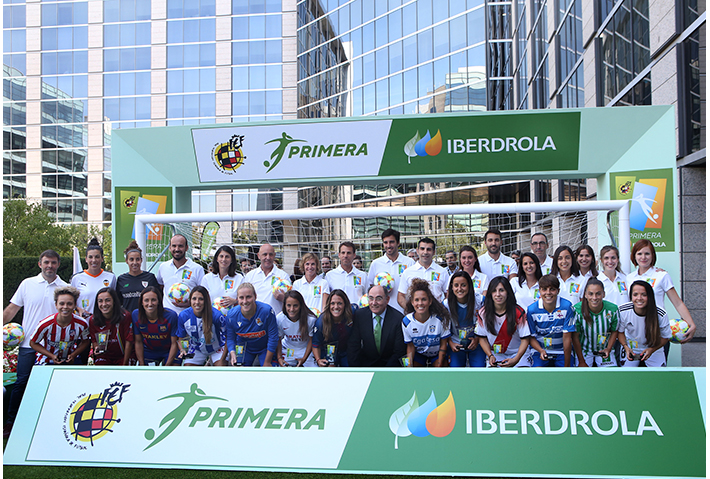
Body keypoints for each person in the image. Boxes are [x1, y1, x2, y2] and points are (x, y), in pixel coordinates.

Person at [3, 249, 67, 438]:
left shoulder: (64, 286)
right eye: (46, 262)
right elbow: (11, 310)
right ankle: (11, 422)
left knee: (52, 385)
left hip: (54, 347)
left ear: (58, 264)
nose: (50, 266)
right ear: (40, 264)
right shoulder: (27, 284)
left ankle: (50, 422)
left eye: (53, 262)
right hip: (28, 345)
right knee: (22, 382)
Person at [626, 239, 696, 342]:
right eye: (639, 253)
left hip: (657, 330)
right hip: (634, 332)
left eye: (647, 254)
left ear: (653, 255)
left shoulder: (662, 275)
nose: (643, 257)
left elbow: (677, 303)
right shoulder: (629, 278)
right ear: (634, 256)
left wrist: (691, 323)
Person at [475, 277, 531, 367]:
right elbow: (482, 338)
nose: (498, 294)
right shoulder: (483, 313)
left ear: (508, 292)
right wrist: (490, 355)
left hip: (518, 354)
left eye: (501, 290)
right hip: (495, 355)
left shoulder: (518, 312)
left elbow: (525, 340)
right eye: (494, 291)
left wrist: (516, 359)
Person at [348, 284, 406, 367]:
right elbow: (353, 346)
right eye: (371, 298)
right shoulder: (359, 316)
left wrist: (384, 374)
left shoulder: (398, 319)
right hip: (366, 367)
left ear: (387, 299)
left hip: (390, 368)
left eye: (379, 298)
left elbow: (399, 351)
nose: (374, 303)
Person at [30, 286, 90, 365]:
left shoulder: (82, 324)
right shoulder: (45, 324)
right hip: (47, 360)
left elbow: (86, 341)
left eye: (69, 304)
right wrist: (51, 356)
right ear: (56, 305)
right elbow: (33, 343)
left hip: (71, 360)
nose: (65, 307)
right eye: (61, 304)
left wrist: (74, 354)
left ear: (75, 305)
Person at [618, 281, 671, 367]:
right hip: (631, 348)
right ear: (631, 296)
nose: (639, 298)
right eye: (635, 295)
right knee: (626, 376)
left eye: (644, 295)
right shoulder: (623, 310)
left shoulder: (661, 314)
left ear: (650, 296)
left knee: (659, 376)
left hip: (654, 348)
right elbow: (620, 332)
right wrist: (626, 347)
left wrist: (652, 349)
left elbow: (665, 337)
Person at [526, 275, 576, 367]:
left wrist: (567, 366)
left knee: (566, 376)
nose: (548, 293)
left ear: (558, 291)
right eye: (544, 289)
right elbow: (531, 337)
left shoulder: (567, 306)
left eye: (552, 289)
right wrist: (541, 351)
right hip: (539, 350)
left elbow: (567, 338)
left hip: (561, 350)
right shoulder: (532, 310)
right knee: (538, 373)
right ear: (539, 291)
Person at [225, 282, 279, 367]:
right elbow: (230, 338)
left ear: (255, 297)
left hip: (264, 348)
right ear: (237, 299)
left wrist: (267, 362)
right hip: (243, 347)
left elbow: (273, 337)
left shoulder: (267, 311)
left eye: (248, 297)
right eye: (241, 298)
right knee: (239, 371)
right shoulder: (231, 315)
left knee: (269, 372)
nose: (245, 301)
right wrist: (232, 353)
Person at [402, 278, 451, 367]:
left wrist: (438, 366)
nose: (420, 303)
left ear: (430, 301)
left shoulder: (441, 319)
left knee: (441, 371)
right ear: (412, 302)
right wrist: (409, 366)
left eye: (424, 299)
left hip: (437, 355)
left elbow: (444, 344)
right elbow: (410, 346)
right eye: (417, 300)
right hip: (419, 355)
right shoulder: (407, 322)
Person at [571, 278, 619, 367]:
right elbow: (575, 337)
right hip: (584, 350)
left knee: (611, 377)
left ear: (603, 294)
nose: (594, 297)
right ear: (585, 295)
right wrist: (581, 360)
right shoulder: (577, 310)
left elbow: (614, 331)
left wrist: (608, 349)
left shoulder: (613, 310)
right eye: (591, 294)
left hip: (604, 349)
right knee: (582, 377)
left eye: (598, 294)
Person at [176, 286, 227, 366]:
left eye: (201, 299)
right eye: (194, 299)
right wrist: (183, 349)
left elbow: (228, 337)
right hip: (196, 349)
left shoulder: (217, 316)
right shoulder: (184, 316)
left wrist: (223, 359)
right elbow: (181, 337)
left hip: (218, 348)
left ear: (206, 301)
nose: (197, 302)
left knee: (220, 369)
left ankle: (212, 362)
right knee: (188, 370)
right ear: (190, 300)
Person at [367, 228, 415, 313]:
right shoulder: (376, 263)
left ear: (398, 243)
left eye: (392, 242)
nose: (388, 245)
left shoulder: (409, 262)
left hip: (404, 312)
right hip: (382, 313)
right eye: (385, 242)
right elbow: (370, 287)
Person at [157, 234, 205, 314]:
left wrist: (190, 303)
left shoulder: (197, 269)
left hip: (189, 315)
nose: (177, 249)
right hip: (167, 317)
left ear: (186, 248)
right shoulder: (163, 267)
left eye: (180, 246)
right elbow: (160, 286)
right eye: (174, 246)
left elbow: (203, 294)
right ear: (170, 247)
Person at [132, 286, 180, 366]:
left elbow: (174, 343)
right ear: (142, 302)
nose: (150, 304)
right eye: (146, 300)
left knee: (172, 372)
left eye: (153, 300)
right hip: (150, 351)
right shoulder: (136, 315)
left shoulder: (171, 316)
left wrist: (166, 367)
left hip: (169, 350)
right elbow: (138, 341)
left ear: (159, 301)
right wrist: (141, 364)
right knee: (148, 375)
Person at [446, 271, 486, 367]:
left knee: (479, 370)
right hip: (456, 343)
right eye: (456, 285)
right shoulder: (446, 304)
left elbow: (486, 324)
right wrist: (450, 343)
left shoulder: (480, 301)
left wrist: (477, 339)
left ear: (469, 285)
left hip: (477, 343)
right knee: (456, 371)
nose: (459, 289)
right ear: (451, 286)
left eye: (463, 285)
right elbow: (444, 328)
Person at [397, 237, 448, 309]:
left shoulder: (442, 272)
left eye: (429, 249)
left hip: (436, 317)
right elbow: (400, 296)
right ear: (417, 251)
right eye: (422, 249)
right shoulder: (408, 272)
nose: (425, 252)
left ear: (434, 252)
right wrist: (412, 311)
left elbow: (448, 294)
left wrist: (440, 310)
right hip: (415, 317)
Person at [71, 237, 116, 318]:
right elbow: (70, 302)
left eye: (97, 257)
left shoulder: (111, 277)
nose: (94, 260)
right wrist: (78, 309)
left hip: (105, 324)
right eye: (90, 257)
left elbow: (115, 301)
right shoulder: (77, 278)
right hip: (84, 323)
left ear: (102, 259)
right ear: (86, 259)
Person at [89, 287, 133, 365]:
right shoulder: (93, 319)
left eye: (107, 300)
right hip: (105, 357)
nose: (104, 304)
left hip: (123, 356)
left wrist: (125, 363)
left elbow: (128, 341)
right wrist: (97, 348)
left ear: (114, 301)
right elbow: (94, 340)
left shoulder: (125, 316)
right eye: (100, 301)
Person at [243, 243, 291, 315]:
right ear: (258, 256)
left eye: (270, 254)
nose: (268, 257)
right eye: (265, 254)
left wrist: (284, 299)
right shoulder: (250, 276)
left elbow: (292, 301)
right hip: (255, 319)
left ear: (274, 255)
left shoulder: (283, 276)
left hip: (276, 320)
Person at [116, 240, 159, 313]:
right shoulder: (121, 279)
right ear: (126, 261)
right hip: (128, 321)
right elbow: (118, 303)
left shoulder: (150, 277)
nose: (135, 263)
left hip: (146, 320)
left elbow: (158, 299)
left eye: (137, 259)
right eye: (131, 259)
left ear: (141, 260)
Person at [313, 289, 353, 367]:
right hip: (328, 352)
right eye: (332, 303)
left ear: (345, 304)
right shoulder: (321, 322)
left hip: (346, 351)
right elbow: (315, 344)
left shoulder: (352, 314)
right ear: (328, 305)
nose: (336, 307)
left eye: (339, 303)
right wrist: (318, 360)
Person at [276, 291, 316, 367]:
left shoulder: (310, 319)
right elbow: (278, 339)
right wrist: (279, 358)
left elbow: (312, 340)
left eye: (295, 306)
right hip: (288, 349)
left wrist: (304, 358)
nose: (291, 309)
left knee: (314, 372)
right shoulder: (279, 318)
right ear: (284, 305)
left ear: (301, 305)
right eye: (288, 305)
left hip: (305, 350)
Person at [201, 245, 243, 311]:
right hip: (213, 318)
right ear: (217, 259)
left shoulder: (239, 278)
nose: (224, 259)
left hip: (232, 317)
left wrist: (235, 301)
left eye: (227, 257)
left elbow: (245, 299)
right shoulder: (207, 278)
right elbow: (202, 299)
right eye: (221, 256)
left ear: (232, 260)